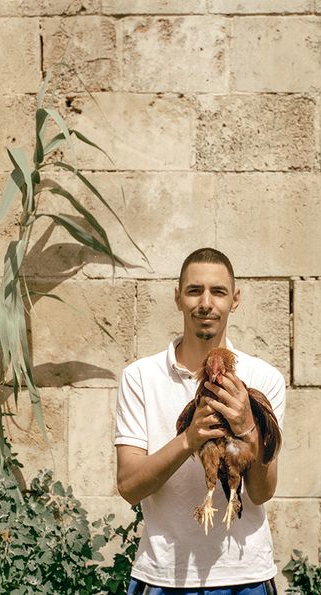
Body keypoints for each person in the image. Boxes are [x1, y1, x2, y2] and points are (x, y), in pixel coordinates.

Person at [114, 247, 286, 594]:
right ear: (178, 297)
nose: (206, 303)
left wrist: (247, 428)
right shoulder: (141, 377)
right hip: (164, 577)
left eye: (218, 291)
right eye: (195, 291)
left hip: (244, 577)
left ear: (235, 299)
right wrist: (188, 439)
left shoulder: (264, 379)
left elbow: (262, 492)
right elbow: (129, 486)